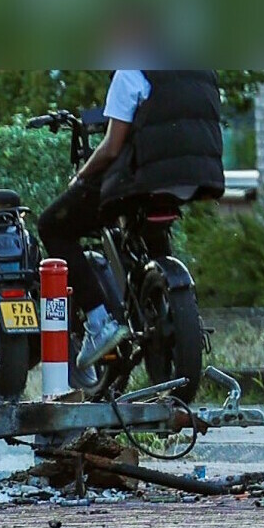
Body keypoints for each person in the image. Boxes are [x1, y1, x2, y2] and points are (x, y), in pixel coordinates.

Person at [38, 60, 226, 365]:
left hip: (145, 179)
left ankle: (99, 323)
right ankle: (174, 312)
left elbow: (112, 147)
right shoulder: (202, 69)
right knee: (145, 221)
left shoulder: (132, 71)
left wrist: (81, 176)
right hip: (198, 177)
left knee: (53, 226)